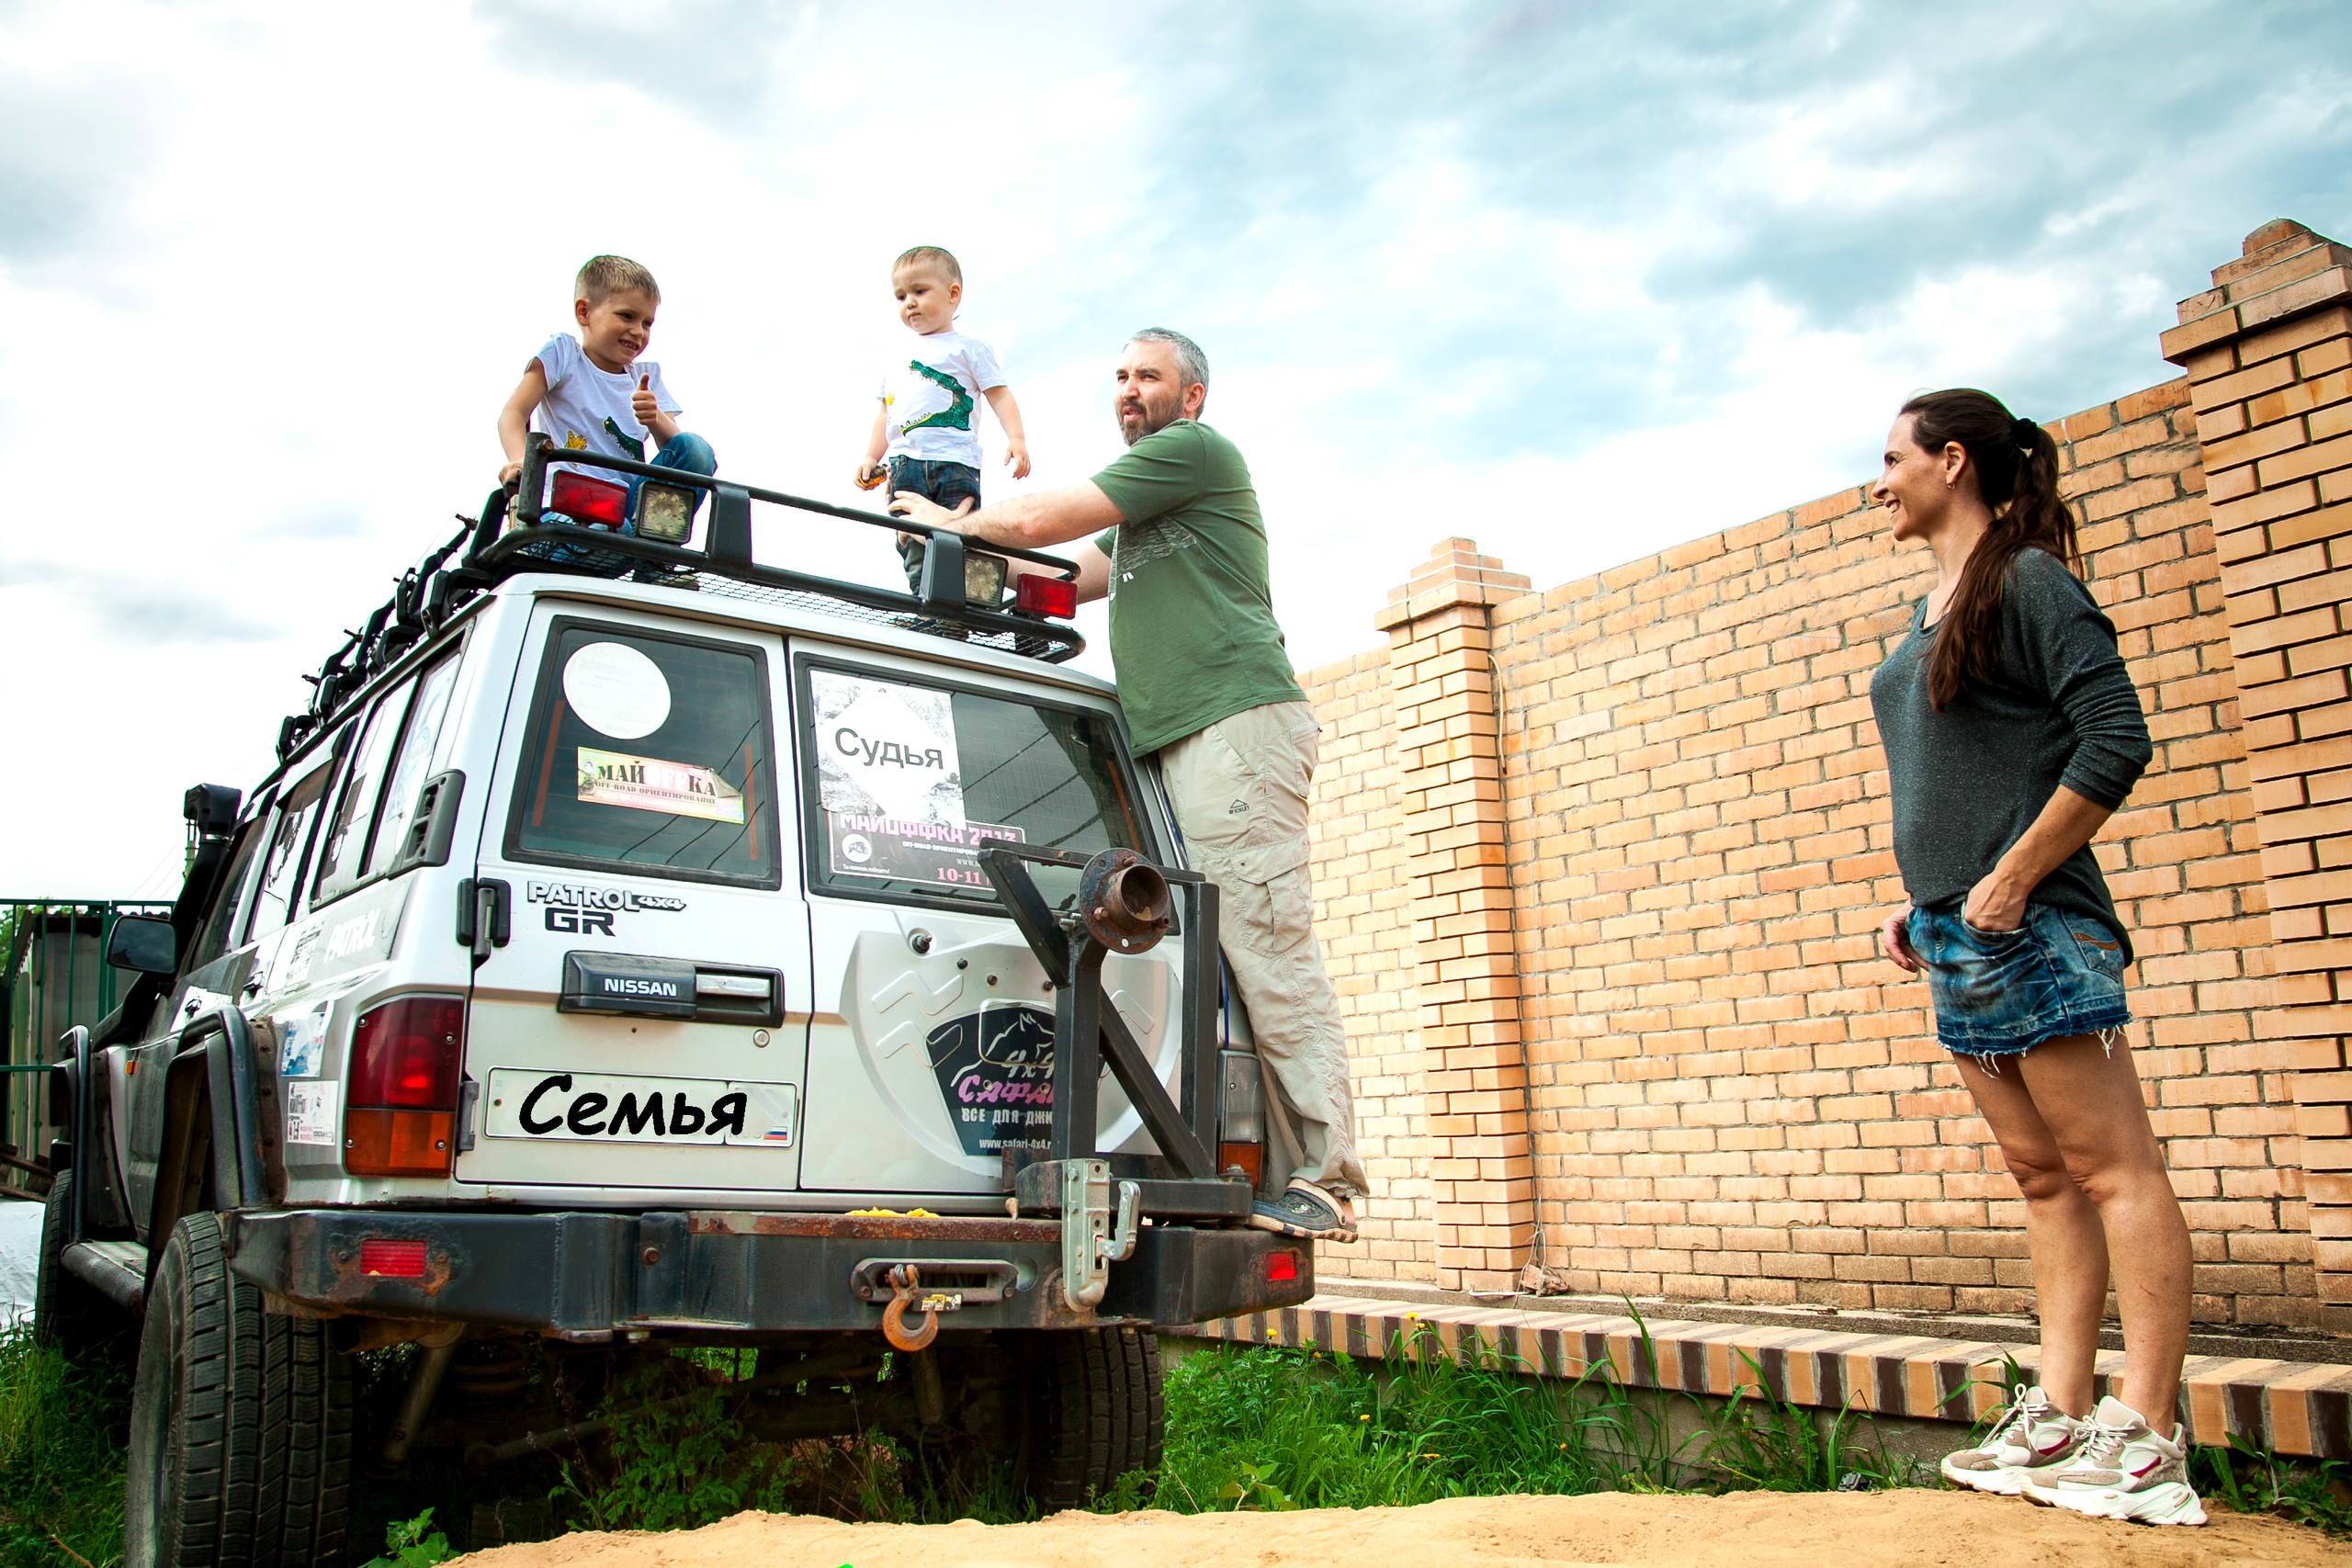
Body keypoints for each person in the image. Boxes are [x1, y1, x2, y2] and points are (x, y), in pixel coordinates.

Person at [887, 329, 1366, 1242]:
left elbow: (1032, 523)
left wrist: (962, 522)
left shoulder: (1194, 453)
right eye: (1119, 377)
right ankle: (1250, 1171)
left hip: (1233, 724)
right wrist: (950, 564)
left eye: (1148, 376)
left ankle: (1327, 1179)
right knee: (1209, 961)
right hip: (1175, 741)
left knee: (1264, 941)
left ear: (1190, 399)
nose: (1128, 390)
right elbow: (1062, 571)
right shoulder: (1142, 517)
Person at [1868, 389, 2199, 1527]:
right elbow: (1960, 771)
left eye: (1892, 458)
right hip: (1958, 931)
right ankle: (2058, 1416)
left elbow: (2118, 733)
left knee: (2113, 1168)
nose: (1878, 481)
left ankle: (2149, 1434)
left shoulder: (2028, 582)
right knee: (2040, 1175)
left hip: (2037, 922)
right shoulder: (1933, 607)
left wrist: (2010, 876)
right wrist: (1925, 902)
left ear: (1951, 461)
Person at [854, 245, 1031, 597]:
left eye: (920, 291)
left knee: (960, 534)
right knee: (910, 538)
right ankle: (926, 600)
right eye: (901, 295)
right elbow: (885, 414)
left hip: (955, 461)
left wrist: (1017, 438)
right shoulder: (896, 358)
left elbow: (999, 394)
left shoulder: (969, 348)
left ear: (953, 294)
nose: (909, 302)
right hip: (905, 464)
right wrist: (871, 457)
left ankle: (968, 603)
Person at [496, 254, 718, 535]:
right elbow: (513, 413)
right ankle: (634, 546)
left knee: (696, 448)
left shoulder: (645, 377)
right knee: (617, 532)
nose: (638, 331)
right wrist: (519, 461)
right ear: (584, 312)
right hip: (570, 507)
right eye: (627, 316)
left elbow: (682, 455)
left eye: (647, 323)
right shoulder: (564, 355)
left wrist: (654, 418)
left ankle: (652, 567)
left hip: (630, 504)